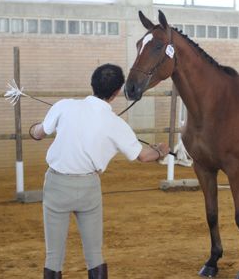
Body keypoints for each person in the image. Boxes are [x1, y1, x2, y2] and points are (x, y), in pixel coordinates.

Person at [29, 64, 169, 279]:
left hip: (57, 186)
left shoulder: (64, 106)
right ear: (116, 92)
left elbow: (39, 133)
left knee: (53, 256)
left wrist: (35, 127)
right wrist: (160, 151)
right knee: (94, 254)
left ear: (92, 84)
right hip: (88, 188)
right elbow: (143, 156)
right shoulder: (116, 124)